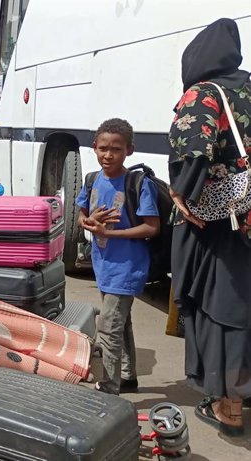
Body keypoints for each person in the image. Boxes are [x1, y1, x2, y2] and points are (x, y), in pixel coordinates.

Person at [168, 18, 251, 436]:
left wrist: (181, 194)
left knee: (225, 309)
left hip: (223, 223)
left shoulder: (204, 93)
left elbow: (195, 149)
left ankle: (230, 407)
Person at [75, 118, 160, 395]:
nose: (108, 155)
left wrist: (109, 233)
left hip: (127, 267)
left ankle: (109, 387)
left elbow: (151, 226)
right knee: (120, 324)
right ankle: (127, 376)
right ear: (94, 148)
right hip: (103, 266)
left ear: (129, 151)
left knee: (108, 327)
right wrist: (89, 222)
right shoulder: (92, 179)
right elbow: (81, 216)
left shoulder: (138, 183)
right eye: (103, 148)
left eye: (116, 149)